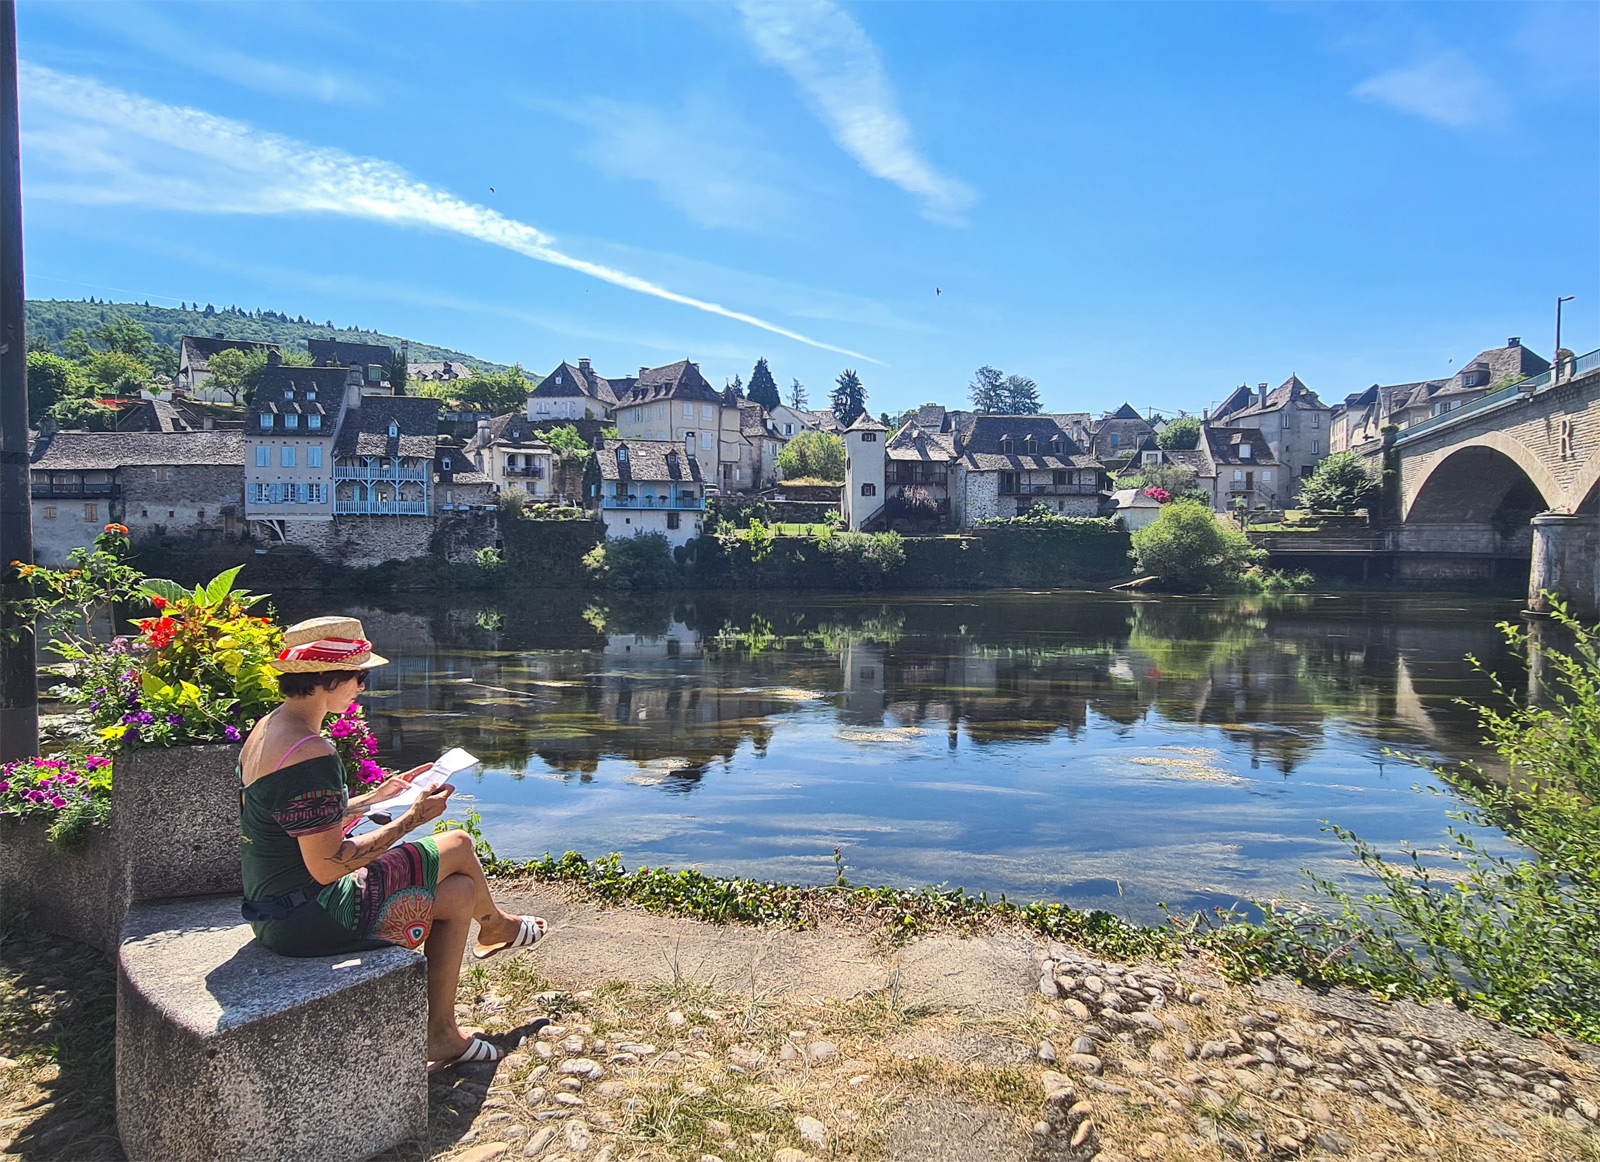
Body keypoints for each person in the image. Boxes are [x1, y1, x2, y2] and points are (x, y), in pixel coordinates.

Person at [239, 615, 547, 1070]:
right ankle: (498, 925)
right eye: (359, 676)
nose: (363, 687)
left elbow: (297, 818)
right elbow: (328, 864)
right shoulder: (310, 751)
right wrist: (411, 817)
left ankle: (440, 1034)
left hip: (276, 908)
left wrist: (371, 800)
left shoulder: (272, 729)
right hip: (307, 914)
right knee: (458, 843)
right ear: (328, 678)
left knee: (459, 893)